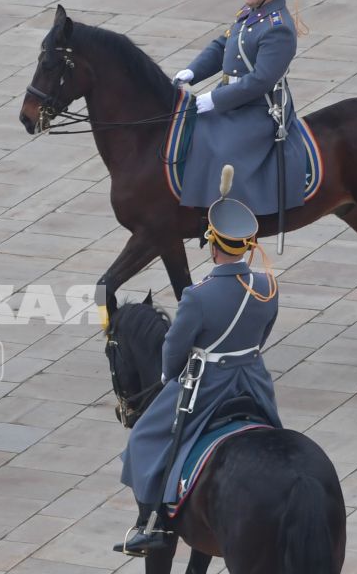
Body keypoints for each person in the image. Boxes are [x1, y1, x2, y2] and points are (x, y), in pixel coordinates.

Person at [116, 181, 281, 555]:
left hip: (209, 384)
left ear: (212, 243)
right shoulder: (267, 286)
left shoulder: (198, 295)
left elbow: (174, 348)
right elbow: (263, 334)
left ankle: (151, 524)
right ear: (246, 246)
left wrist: (168, 376)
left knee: (144, 437)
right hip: (253, 380)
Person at [172, 0, 305, 216]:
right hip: (235, 101)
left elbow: (261, 81)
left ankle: (231, 216)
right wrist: (193, 71)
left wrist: (215, 99)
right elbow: (222, 44)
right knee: (192, 132)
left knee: (225, 152)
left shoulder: (278, 28)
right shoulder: (250, 13)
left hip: (259, 108)